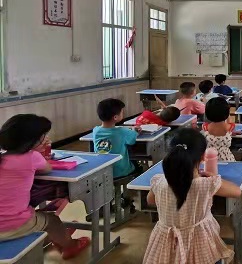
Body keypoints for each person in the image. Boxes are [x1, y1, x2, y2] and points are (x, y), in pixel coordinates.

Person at [143, 128, 241, 264]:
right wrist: (214, 177)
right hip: (200, 243)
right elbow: (237, 191)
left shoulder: (159, 181)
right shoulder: (207, 184)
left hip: (166, 244)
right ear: (203, 157)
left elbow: (150, 200)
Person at [0, 114, 90, 259]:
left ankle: (59, 237)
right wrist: (37, 151)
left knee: (37, 213)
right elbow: (47, 168)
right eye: (42, 136)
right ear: (32, 140)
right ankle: (70, 246)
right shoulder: (32, 157)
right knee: (52, 220)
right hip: (10, 226)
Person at [93, 98, 142, 179]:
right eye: (122, 112)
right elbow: (132, 140)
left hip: (103, 172)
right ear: (115, 117)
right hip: (121, 171)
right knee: (138, 165)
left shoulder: (96, 131)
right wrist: (136, 131)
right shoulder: (122, 132)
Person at [200, 97, 239, 162]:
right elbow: (229, 123)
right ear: (226, 112)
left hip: (209, 159)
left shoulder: (205, 127)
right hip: (226, 159)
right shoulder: (230, 127)